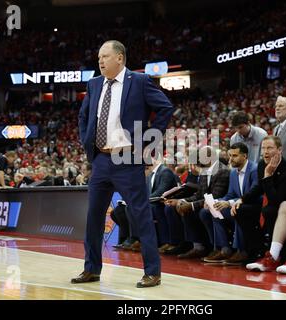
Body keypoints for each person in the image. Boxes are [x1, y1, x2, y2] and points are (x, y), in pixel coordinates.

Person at [73, 40, 174, 288]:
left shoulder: (138, 81)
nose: (100, 61)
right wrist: (88, 144)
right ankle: (92, 268)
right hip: (101, 158)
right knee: (94, 217)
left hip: (128, 157)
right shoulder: (94, 84)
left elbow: (165, 107)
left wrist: (149, 142)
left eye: (105, 56)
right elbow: (84, 116)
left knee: (141, 215)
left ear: (120, 58)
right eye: (99, 57)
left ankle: (153, 272)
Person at [234, 136, 286, 263]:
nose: (265, 151)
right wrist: (242, 200)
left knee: (269, 210)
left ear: (279, 150)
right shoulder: (262, 164)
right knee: (241, 210)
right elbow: (259, 188)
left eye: (270, 148)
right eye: (263, 148)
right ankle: (257, 250)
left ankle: (277, 254)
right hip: (272, 206)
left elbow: (277, 201)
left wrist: (267, 176)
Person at [199, 142, 261, 264]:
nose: (231, 159)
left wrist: (230, 203)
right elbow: (230, 195)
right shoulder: (233, 172)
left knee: (237, 210)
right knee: (214, 209)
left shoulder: (254, 169)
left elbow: (254, 195)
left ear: (245, 156)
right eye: (230, 155)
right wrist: (217, 202)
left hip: (253, 206)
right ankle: (224, 249)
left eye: (235, 156)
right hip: (238, 205)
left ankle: (241, 251)